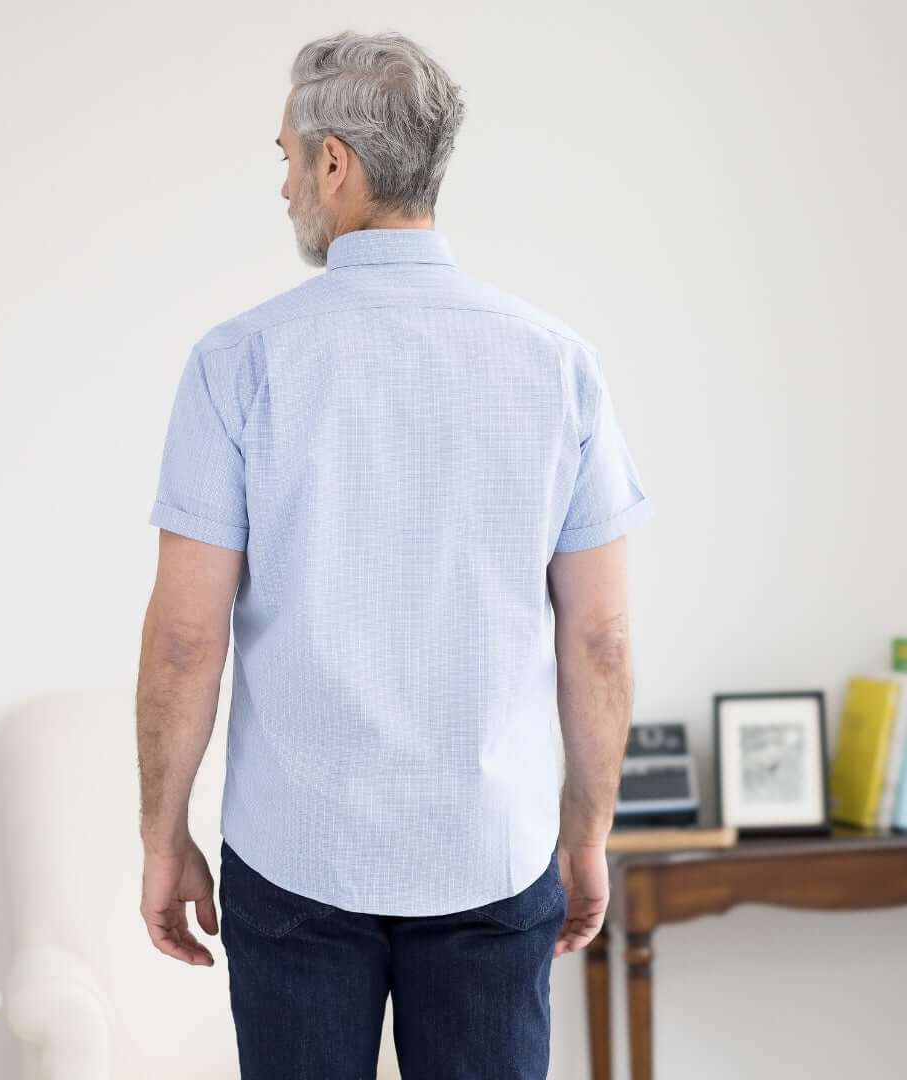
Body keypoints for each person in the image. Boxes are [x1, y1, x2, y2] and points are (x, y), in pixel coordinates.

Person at [136, 28, 655, 1080]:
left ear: (337, 163)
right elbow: (598, 638)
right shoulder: (556, 366)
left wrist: (163, 834)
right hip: (494, 851)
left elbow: (188, 638)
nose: (284, 183)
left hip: (295, 858)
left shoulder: (239, 363)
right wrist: (586, 831)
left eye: (287, 155)